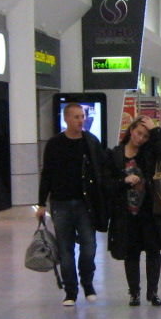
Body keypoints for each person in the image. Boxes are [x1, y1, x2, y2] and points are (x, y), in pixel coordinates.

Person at [37, 101, 108, 305]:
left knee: (89, 246)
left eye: (82, 116)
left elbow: (101, 168)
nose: (80, 120)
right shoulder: (54, 144)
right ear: (66, 119)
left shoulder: (90, 142)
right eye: (76, 117)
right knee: (65, 249)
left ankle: (88, 283)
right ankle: (70, 291)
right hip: (61, 203)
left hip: (85, 204)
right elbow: (47, 174)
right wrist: (41, 203)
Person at [104, 116, 161, 305]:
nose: (140, 138)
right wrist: (122, 181)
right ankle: (134, 292)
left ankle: (153, 291)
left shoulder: (148, 154)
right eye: (138, 133)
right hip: (125, 212)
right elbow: (106, 182)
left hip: (149, 211)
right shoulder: (115, 154)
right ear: (131, 130)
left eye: (145, 136)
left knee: (153, 250)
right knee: (131, 252)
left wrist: (156, 130)